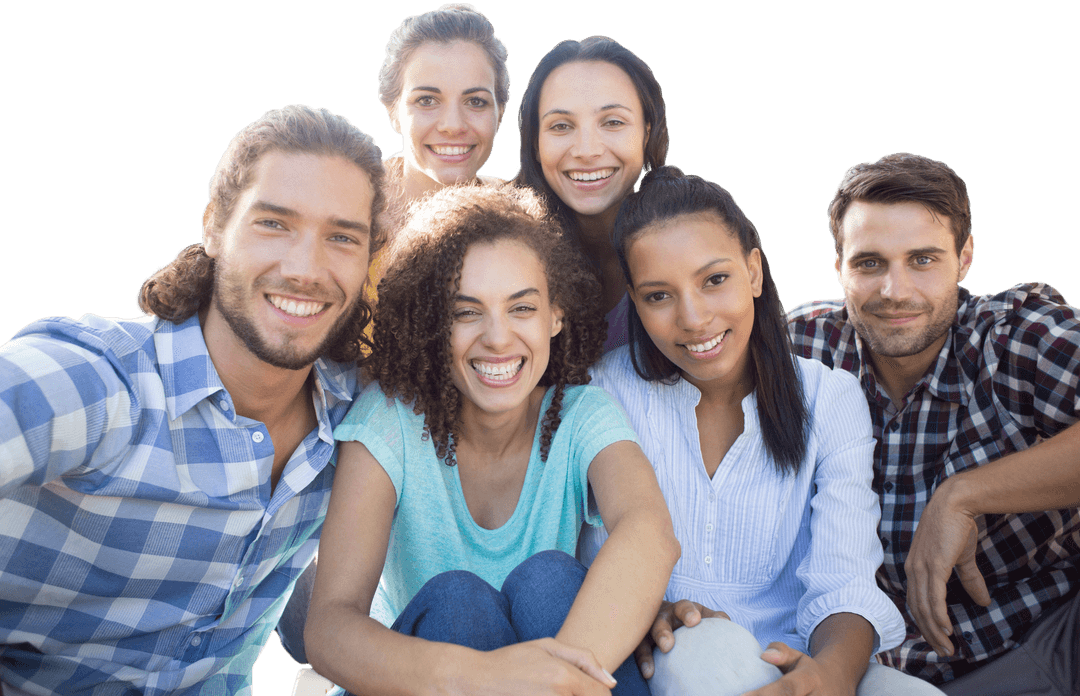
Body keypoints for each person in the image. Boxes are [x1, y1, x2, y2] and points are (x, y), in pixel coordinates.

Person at [0, 104, 385, 696]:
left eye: (341, 238)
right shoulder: (101, 381)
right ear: (214, 227)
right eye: (274, 224)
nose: (306, 269)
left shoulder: (357, 418)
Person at [581, 165, 944, 694]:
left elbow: (844, 580)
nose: (694, 318)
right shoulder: (605, 392)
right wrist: (642, 607)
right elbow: (588, 555)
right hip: (673, 655)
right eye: (659, 295)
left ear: (753, 272)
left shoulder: (829, 398)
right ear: (635, 302)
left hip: (797, 654)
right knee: (704, 647)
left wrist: (829, 676)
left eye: (714, 280)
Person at [304, 185, 679, 695]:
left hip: (561, 672)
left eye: (521, 308)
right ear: (433, 324)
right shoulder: (387, 423)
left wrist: (553, 684)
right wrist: (488, 679)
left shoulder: (580, 415)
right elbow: (328, 628)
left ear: (555, 314)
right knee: (458, 601)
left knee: (550, 581)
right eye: (466, 312)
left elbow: (649, 531)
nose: (498, 338)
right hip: (428, 680)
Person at [787, 153, 1079, 695]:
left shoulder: (1016, 337)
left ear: (964, 258)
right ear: (839, 266)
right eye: (869, 263)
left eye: (922, 260)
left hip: (1043, 634)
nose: (895, 291)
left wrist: (964, 496)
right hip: (874, 665)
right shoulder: (803, 350)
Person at [513, 35, 668, 351]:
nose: (586, 151)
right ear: (535, 143)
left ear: (646, 132)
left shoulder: (686, 235)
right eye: (561, 126)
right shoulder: (501, 248)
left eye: (613, 122)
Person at [375, 2, 509, 243]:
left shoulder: (522, 215)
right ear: (393, 111)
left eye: (475, 102)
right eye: (427, 100)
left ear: (500, 113)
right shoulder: (349, 205)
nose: (453, 125)